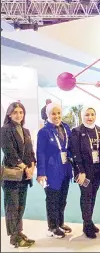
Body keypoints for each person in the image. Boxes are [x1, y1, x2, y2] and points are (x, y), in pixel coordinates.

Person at [1, 102, 36, 248]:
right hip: (11, 176)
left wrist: (32, 166)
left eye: (21, 112)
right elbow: (9, 152)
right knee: (12, 207)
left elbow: (30, 152)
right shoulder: (4, 130)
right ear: (9, 114)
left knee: (21, 205)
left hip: (24, 176)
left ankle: (19, 232)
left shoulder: (26, 130)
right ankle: (14, 238)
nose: (18, 115)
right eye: (15, 112)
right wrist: (24, 167)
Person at [36, 103, 73, 238]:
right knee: (52, 199)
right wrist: (41, 173)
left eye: (58, 113)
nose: (56, 116)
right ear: (48, 115)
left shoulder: (66, 127)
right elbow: (40, 153)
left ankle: (60, 223)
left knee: (62, 198)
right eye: (53, 114)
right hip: (51, 171)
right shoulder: (44, 132)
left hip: (65, 169)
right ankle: (52, 227)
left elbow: (69, 147)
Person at [70, 106, 100, 239]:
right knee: (86, 196)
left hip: (97, 170)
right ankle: (86, 225)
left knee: (93, 195)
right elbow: (75, 153)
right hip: (83, 172)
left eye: (92, 114)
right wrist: (80, 171)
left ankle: (89, 221)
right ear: (82, 116)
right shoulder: (76, 131)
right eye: (87, 115)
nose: (89, 117)